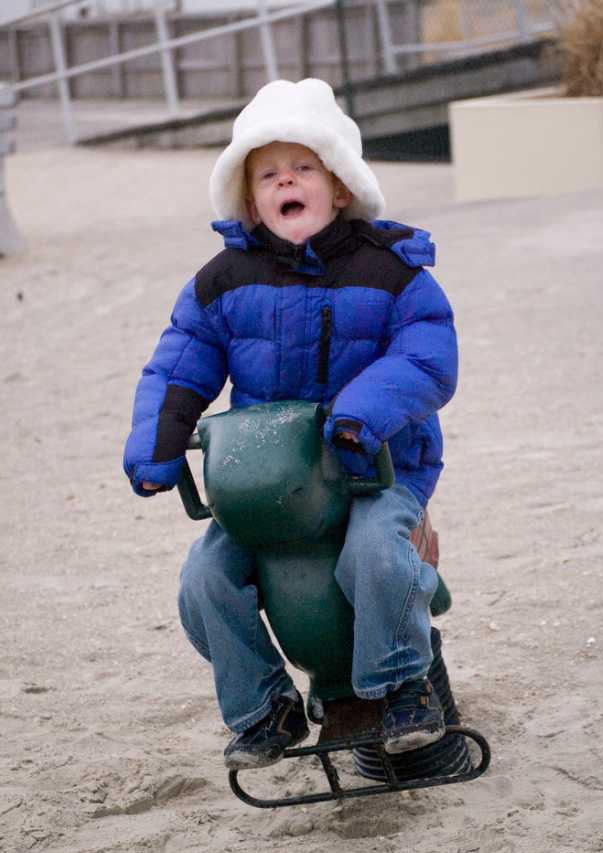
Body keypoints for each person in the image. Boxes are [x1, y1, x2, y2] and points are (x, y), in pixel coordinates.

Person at [124, 78, 458, 771]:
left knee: (373, 556)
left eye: (302, 167)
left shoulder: (393, 271)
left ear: (337, 186)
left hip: (371, 466)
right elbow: (179, 366)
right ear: (250, 199)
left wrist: (359, 416)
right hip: (269, 480)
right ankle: (263, 706)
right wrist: (157, 446)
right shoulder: (222, 281)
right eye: (268, 173)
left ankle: (402, 686)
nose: (286, 180)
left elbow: (427, 358)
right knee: (205, 580)